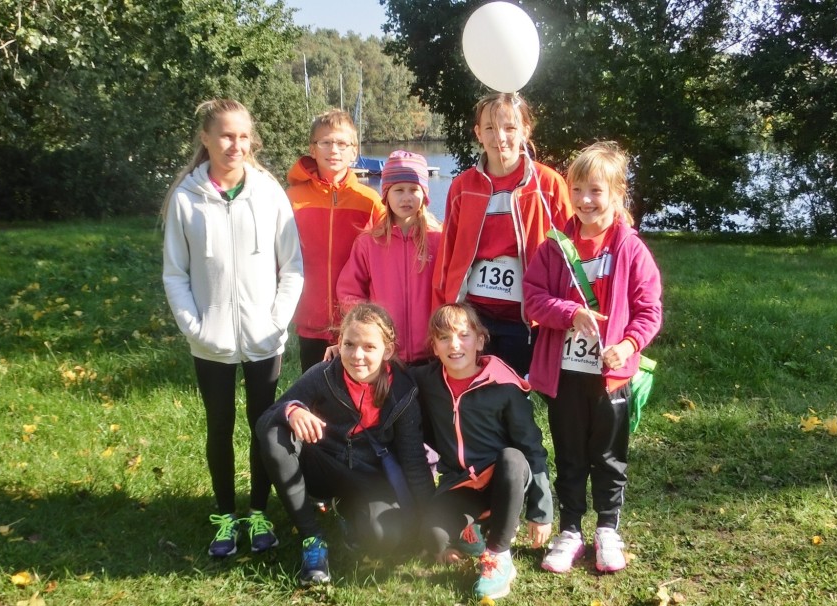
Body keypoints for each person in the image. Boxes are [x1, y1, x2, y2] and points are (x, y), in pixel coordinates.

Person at [162, 98, 304, 558]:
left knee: (263, 426)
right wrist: (194, 328)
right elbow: (175, 274)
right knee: (219, 426)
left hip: (264, 340)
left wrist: (276, 322)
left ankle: (259, 511)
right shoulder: (187, 198)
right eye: (225, 135)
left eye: (243, 136)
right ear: (205, 139)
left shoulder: (268, 193)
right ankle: (225, 516)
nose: (235, 145)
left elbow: (293, 268)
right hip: (212, 342)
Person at [523, 141, 663, 574]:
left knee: (607, 455)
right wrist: (570, 314)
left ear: (617, 194)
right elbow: (532, 299)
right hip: (564, 372)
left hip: (611, 377)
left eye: (596, 191)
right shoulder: (554, 246)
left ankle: (607, 528)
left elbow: (649, 310)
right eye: (578, 189)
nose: (585, 200)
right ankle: (570, 530)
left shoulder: (631, 249)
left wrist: (628, 345)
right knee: (568, 453)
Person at [256, 303, 435, 586]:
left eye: (369, 347)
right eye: (349, 344)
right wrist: (292, 410)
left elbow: (414, 460)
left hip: (366, 477)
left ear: (387, 351)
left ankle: (348, 510)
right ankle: (312, 539)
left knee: (386, 539)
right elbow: (266, 418)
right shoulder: (324, 373)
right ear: (338, 343)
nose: (357, 356)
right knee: (274, 432)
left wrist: (429, 521)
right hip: (322, 466)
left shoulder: (403, 391)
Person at [411, 303, 553, 601]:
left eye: (464, 335)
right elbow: (384, 369)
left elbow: (532, 449)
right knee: (434, 539)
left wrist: (541, 511)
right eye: (444, 338)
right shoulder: (426, 380)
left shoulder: (504, 385)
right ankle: (476, 528)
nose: (455, 345)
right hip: (460, 483)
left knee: (512, 457)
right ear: (434, 347)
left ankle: (498, 555)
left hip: (504, 479)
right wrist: (337, 351)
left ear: (480, 340)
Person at [431, 93, 572, 377]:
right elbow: (448, 253)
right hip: (473, 315)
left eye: (509, 127)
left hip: (527, 318)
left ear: (525, 131)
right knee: (474, 394)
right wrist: (442, 312)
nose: (500, 137)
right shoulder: (462, 186)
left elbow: (571, 253)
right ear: (478, 134)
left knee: (516, 395)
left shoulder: (549, 185)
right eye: (490, 128)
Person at [286, 109, 384, 373]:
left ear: (354, 151)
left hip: (356, 319)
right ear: (312, 149)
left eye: (342, 144)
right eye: (325, 142)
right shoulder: (292, 198)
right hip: (310, 317)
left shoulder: (369, 200)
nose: (334, 150)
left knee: (356, 392)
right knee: (316, 389)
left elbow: (390, 248)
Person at [337, 150, 442, 365]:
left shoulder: (438, 239)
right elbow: (349, 291)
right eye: (398, 190)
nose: (406, 197)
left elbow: (451, 290)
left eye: (414, 189)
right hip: (385, 354)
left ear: (424, 194)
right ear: (386, 194)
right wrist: (371, 326)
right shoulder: (368, 243)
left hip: (433, 354)